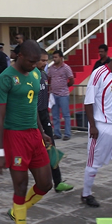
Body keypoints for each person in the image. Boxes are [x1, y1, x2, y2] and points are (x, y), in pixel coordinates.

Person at [0, 40, 53, 224]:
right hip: (14, 136)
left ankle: (17, 210)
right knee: (20, 186)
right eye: (31, 61)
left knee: (45, 184)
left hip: (34, 135)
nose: (35, 65)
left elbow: (33, 106)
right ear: (20, 57)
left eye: (37, 62)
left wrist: (41, 131)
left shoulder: (36, 74)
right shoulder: (6, 78)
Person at [83, 47, 112, 207]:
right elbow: (88, 101)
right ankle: (86, 194)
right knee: (93, 163)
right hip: (101, 126)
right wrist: (93, 126)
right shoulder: (98, 74)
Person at [36, 50, 73, 193]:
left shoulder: (44, 75)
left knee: (51, 147)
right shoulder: (30, 76)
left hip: (44, 115)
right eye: (42, 60)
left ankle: (57, 181)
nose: (45, 63)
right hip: (33, 117)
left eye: (47, 60)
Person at [47, 50, 74, 140]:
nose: (54, 59)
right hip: (54, 94)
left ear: (61, 58)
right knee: (55, 115)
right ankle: (57, 133)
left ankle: (67, 134)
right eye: (53, 57)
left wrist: (66, 86)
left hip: (63, 95)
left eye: (56, 57)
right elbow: (49, 78)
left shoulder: (66, 68)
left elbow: (71, 79)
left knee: (66, 115)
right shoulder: (51, 68)